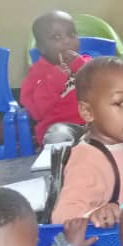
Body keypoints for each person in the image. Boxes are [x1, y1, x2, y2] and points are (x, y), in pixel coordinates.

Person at [51, 57, 123, 226]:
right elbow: (62, 217)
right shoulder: (87, 161)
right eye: (120, 103)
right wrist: (94, 215)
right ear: (87, 111)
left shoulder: (115, 143)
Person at [21, 10, 90, 145]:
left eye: (71, 34)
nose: (67, 41)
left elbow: (105, 90)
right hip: (60, 127)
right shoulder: (37, 74)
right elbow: (37, 112)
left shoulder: (87, 64)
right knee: (57, 138)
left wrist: (82, 67)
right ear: (41, 48)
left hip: (93, 123)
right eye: (57, 37)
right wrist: (54, 81)